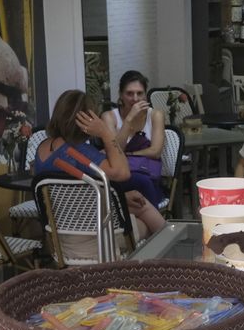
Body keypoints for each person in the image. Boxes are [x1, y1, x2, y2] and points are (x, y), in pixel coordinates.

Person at [33, 89, 165, 238]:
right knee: (145, 216)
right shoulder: (80, 152)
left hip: (60, 237)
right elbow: (123, 173)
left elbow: (76, 195)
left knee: (133, 204)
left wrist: (121, 196)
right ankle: (173, 253)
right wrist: (105, 133)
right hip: (93, 237)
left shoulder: (41, 149)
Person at [105, 69, 168, 205]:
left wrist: (130, 153)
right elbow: (115, 150)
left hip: (148, 175)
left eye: (139, 93)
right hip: (120, 178)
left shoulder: (155, 115)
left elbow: (155, 152)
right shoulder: (109, 117)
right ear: (121, 95)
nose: (135, 99)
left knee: (144, 184)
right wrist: (128, 120)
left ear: (145, 95)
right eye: (129, 93)